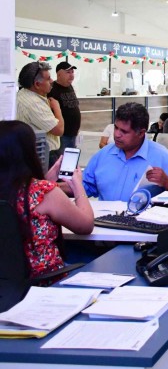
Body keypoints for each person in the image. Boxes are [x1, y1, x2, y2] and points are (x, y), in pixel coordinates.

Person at [0, 120, 94, 280]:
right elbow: (85, 225)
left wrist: (46, 179)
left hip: (7, 284)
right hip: (44, 280)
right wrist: (78, 185)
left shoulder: (29, 190)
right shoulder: (43, 192)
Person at [81, 102, 168, 201]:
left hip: (144, 215)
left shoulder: (162, 157)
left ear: (141, 133)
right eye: (116, 128)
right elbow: (87, 186)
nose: (117, 135)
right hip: (104, 215)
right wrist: (72, 184)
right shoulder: (104, 154)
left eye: (124, 131)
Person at [16, 61, 64, 167]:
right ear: (37, 84)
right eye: (48, 79)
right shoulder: (34, 103)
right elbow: (59, 130)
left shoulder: (24, 93)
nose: (52, 81)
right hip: (44, 156)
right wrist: (57, 108)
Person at [48, 61, 81, 158]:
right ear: (59, 74)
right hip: (62, 136)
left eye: (72, 72)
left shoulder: (70, 86)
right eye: (68, 72)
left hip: (73, 134)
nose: (71, 75)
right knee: (62, 162)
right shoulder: (51, 89)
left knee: (70, 161)